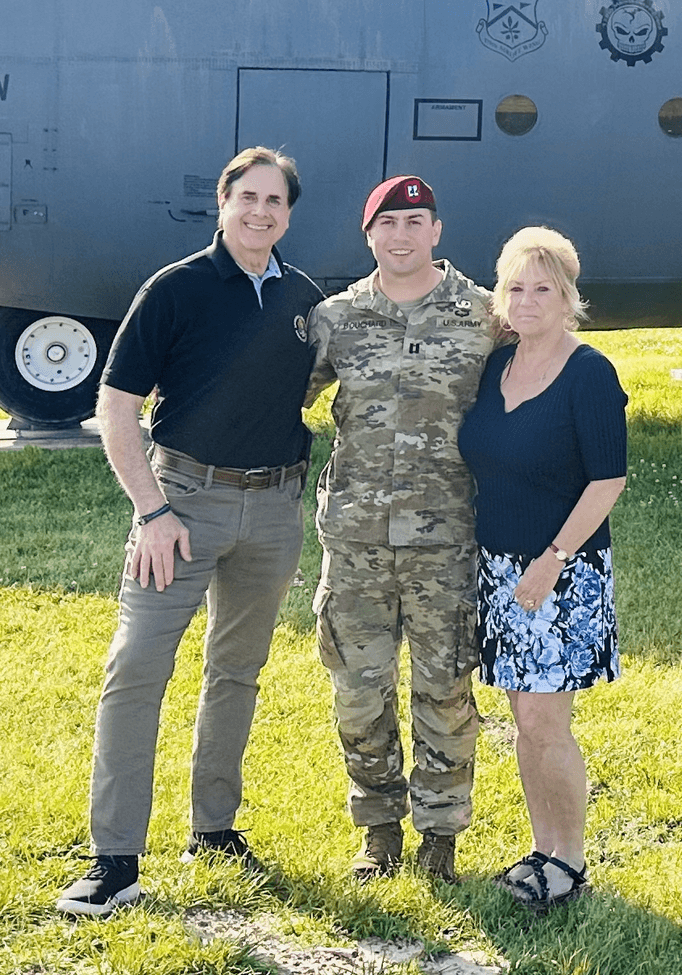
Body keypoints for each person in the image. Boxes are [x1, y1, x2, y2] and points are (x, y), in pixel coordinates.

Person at [55, 146, 324, 916]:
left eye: (276, 201)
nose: (262, 212)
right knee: (137, 667)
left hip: (274, 510)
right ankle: (114, 858)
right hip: (182, 505)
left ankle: (213, 827)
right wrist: (152, 511)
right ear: (223, 201)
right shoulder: (172, 290)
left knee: (236, 669)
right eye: (249, 197)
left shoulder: (304, 301)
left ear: (288, 214)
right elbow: (115, 409)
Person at [305, 175, 494, 883]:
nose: (402, 234)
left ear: (437, 232)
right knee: (358, 689)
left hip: (448, 538)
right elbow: (278, 395)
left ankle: (441, 836)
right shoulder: (337, 319)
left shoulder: (483, 314)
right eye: (388, 222)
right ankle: (378, 830)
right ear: (369, 236)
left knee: (445, 688)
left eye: (416, 220)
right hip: (354, 539)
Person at [458, 226, 628, 913]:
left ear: (568, 298)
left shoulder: (589, 372)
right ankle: (542, 847)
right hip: (497, 568)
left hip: (562, 572)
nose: (527, 301)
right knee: (523, 720)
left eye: (543, 289)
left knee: (545, 721)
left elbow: (607, 480)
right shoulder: (495, 365)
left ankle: (572, 861)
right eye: (515, 288)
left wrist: (551, 561)